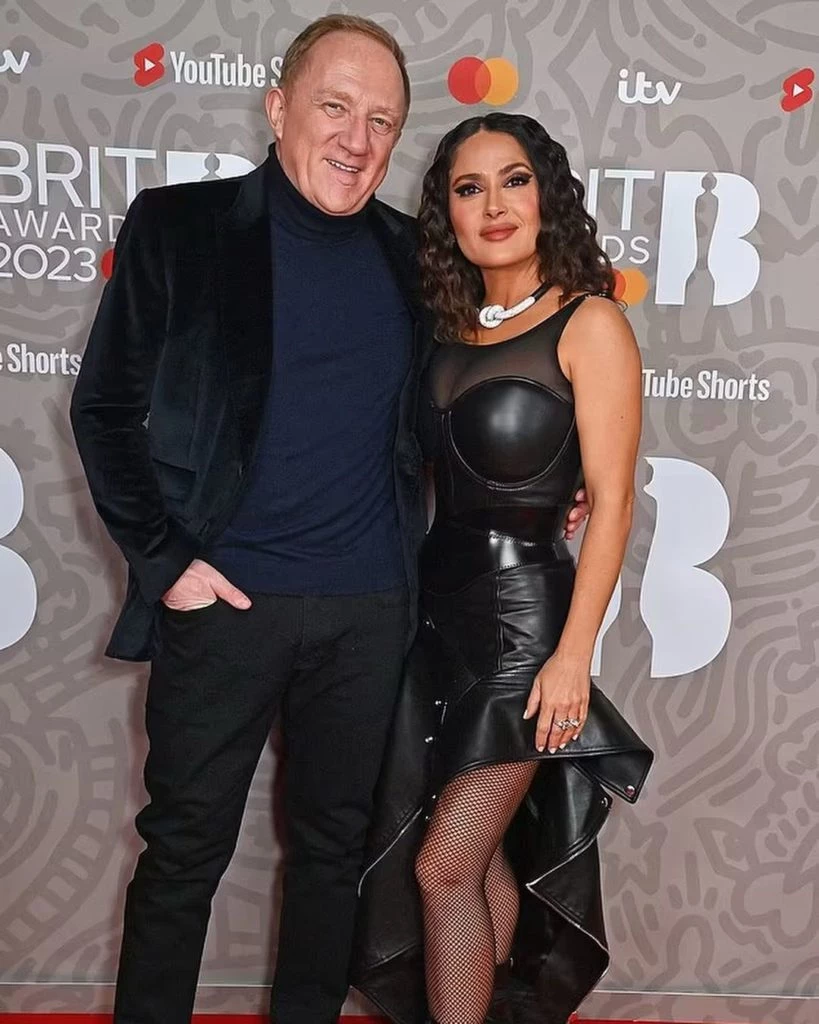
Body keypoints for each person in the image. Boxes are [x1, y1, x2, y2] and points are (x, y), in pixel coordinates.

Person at [71, 15, 591, 1024]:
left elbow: (456, 408)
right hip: (225, 607)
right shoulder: (178, 227)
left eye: (381, 121)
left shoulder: (413, 260)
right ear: (279, 107)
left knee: (333, 857)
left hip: (369, 613)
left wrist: (533, 485)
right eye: (335, 107)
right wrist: (168, 562)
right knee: (182, 856)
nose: (357, 139)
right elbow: (103, 409)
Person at [351, 113, 654, 1024]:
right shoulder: (444, 332)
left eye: (513, 180)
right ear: (445, 212)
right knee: (477, 864)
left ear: (545, 194)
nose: (493, 205)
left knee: (442, 866)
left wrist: (571, 659)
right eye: (468, 188)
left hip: (526, 631)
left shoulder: (589, 322)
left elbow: (612, 502)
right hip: (435, 624)